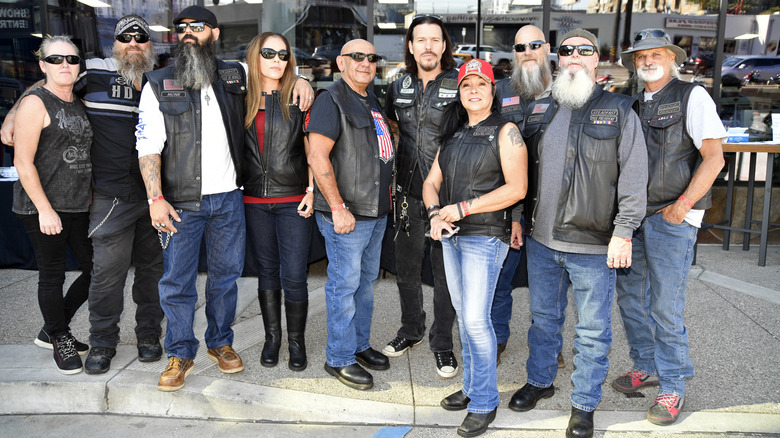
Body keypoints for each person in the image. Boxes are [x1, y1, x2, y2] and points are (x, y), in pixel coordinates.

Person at [506, 29, 647, 438]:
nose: (575, 56)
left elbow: (634, 176)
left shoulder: (620, 110)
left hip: (593, 244)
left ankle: (584, 404)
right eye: (567, 50)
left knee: (592, 331)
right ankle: (540, 381)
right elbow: (523, 171)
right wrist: (516, 217)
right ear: (559, 58)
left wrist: (624, 231)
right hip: (541, 241)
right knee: (543, 319)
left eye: (585, 50)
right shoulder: (542, 108)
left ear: (597, 60)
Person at [614, 29, 726, 426]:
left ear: (672, 58)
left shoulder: (692, 96)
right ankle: (645, 365)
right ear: (633, 63)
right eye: (640, 56)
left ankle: (673, 384)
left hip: (670, 218)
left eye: (656, 54)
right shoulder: (630, 103)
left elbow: (714, 158)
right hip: (633, 218)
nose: (647, 61)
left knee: (664, 305)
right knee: (630, 299)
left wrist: (683, 206)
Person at [135, 5, 248, 391]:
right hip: (181, 204)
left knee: (225, 279)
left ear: (214, 34)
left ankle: (220, 342)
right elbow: (148, 145)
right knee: (177, 282)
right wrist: (155, 199)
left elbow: (277, 75)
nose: (188, 32)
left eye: (197, 26)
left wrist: (301, 83)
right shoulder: (158, 83)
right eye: (181, 27)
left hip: (229, 199)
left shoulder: (235, 75)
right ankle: (180, 352)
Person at [425, 58, 527, 437]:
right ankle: (471, 387)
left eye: (480, 84)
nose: (473, 90)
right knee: (465, 316)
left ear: (492, 90)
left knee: (475, 320)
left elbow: (517, 188)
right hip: (452, 235)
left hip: (485, 236)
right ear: (459, 92)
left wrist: (463, 208)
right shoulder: (452, 134)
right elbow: (431, 183)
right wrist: (435, 214)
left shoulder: (506, 130)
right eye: (466, 84)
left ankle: (484, 401)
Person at [306, 39, 394, 391]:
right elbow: (317, 156)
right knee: (344, 287)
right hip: (347, 214)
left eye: (371, 57)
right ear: (341, 63)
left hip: (375, 213)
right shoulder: (331, 99)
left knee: (365, 284)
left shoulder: (370, 99)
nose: (365, 63)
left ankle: (358, 345)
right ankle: (339, 357)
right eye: (357, 57)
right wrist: (338, 207)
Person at [11, 35, 94, 374]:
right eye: (56, 59)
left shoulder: (79, 101)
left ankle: (52, 328)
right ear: (42, 65)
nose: (65, 65)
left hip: (78, 204)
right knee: (52, 275)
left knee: (97, 269)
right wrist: (45, 209)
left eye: (71, 59)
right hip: (42, 207)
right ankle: (60, 337)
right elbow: (22, 161)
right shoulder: (35, 102)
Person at [383, 14, 460, 378]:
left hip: (446, 199)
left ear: (444, 46)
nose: (428, 47)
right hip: (406, 196)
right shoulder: (396, 86)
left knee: (445, 278)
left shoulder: (461, 83)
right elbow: (389, 129)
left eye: (434, 40)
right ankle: (411, 329)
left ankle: (442, 342)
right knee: (407, 271)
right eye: (421, 40)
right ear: (411, 47)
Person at [242, 32, 314, 372]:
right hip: (253, 199)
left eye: (283, 55)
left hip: (293, 200)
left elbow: (313, 150)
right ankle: (273, 338)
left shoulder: (299, 98)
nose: (276, 60)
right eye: (268, 53)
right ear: (255, 56)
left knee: (295, 274)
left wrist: (312, 190)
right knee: (267, 272)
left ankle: (296, 342)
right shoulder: (239, 98)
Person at [491, 24, 557, 366]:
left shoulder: (567, 91)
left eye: (534, 45)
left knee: (549, 287)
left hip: (552, 207)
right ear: (514, 54)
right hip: (509, 206)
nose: (527, 52)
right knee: (500, 280)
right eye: (520, 47)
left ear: (547, 48)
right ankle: (497, 339)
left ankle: (548, 345)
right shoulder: (499, 91)